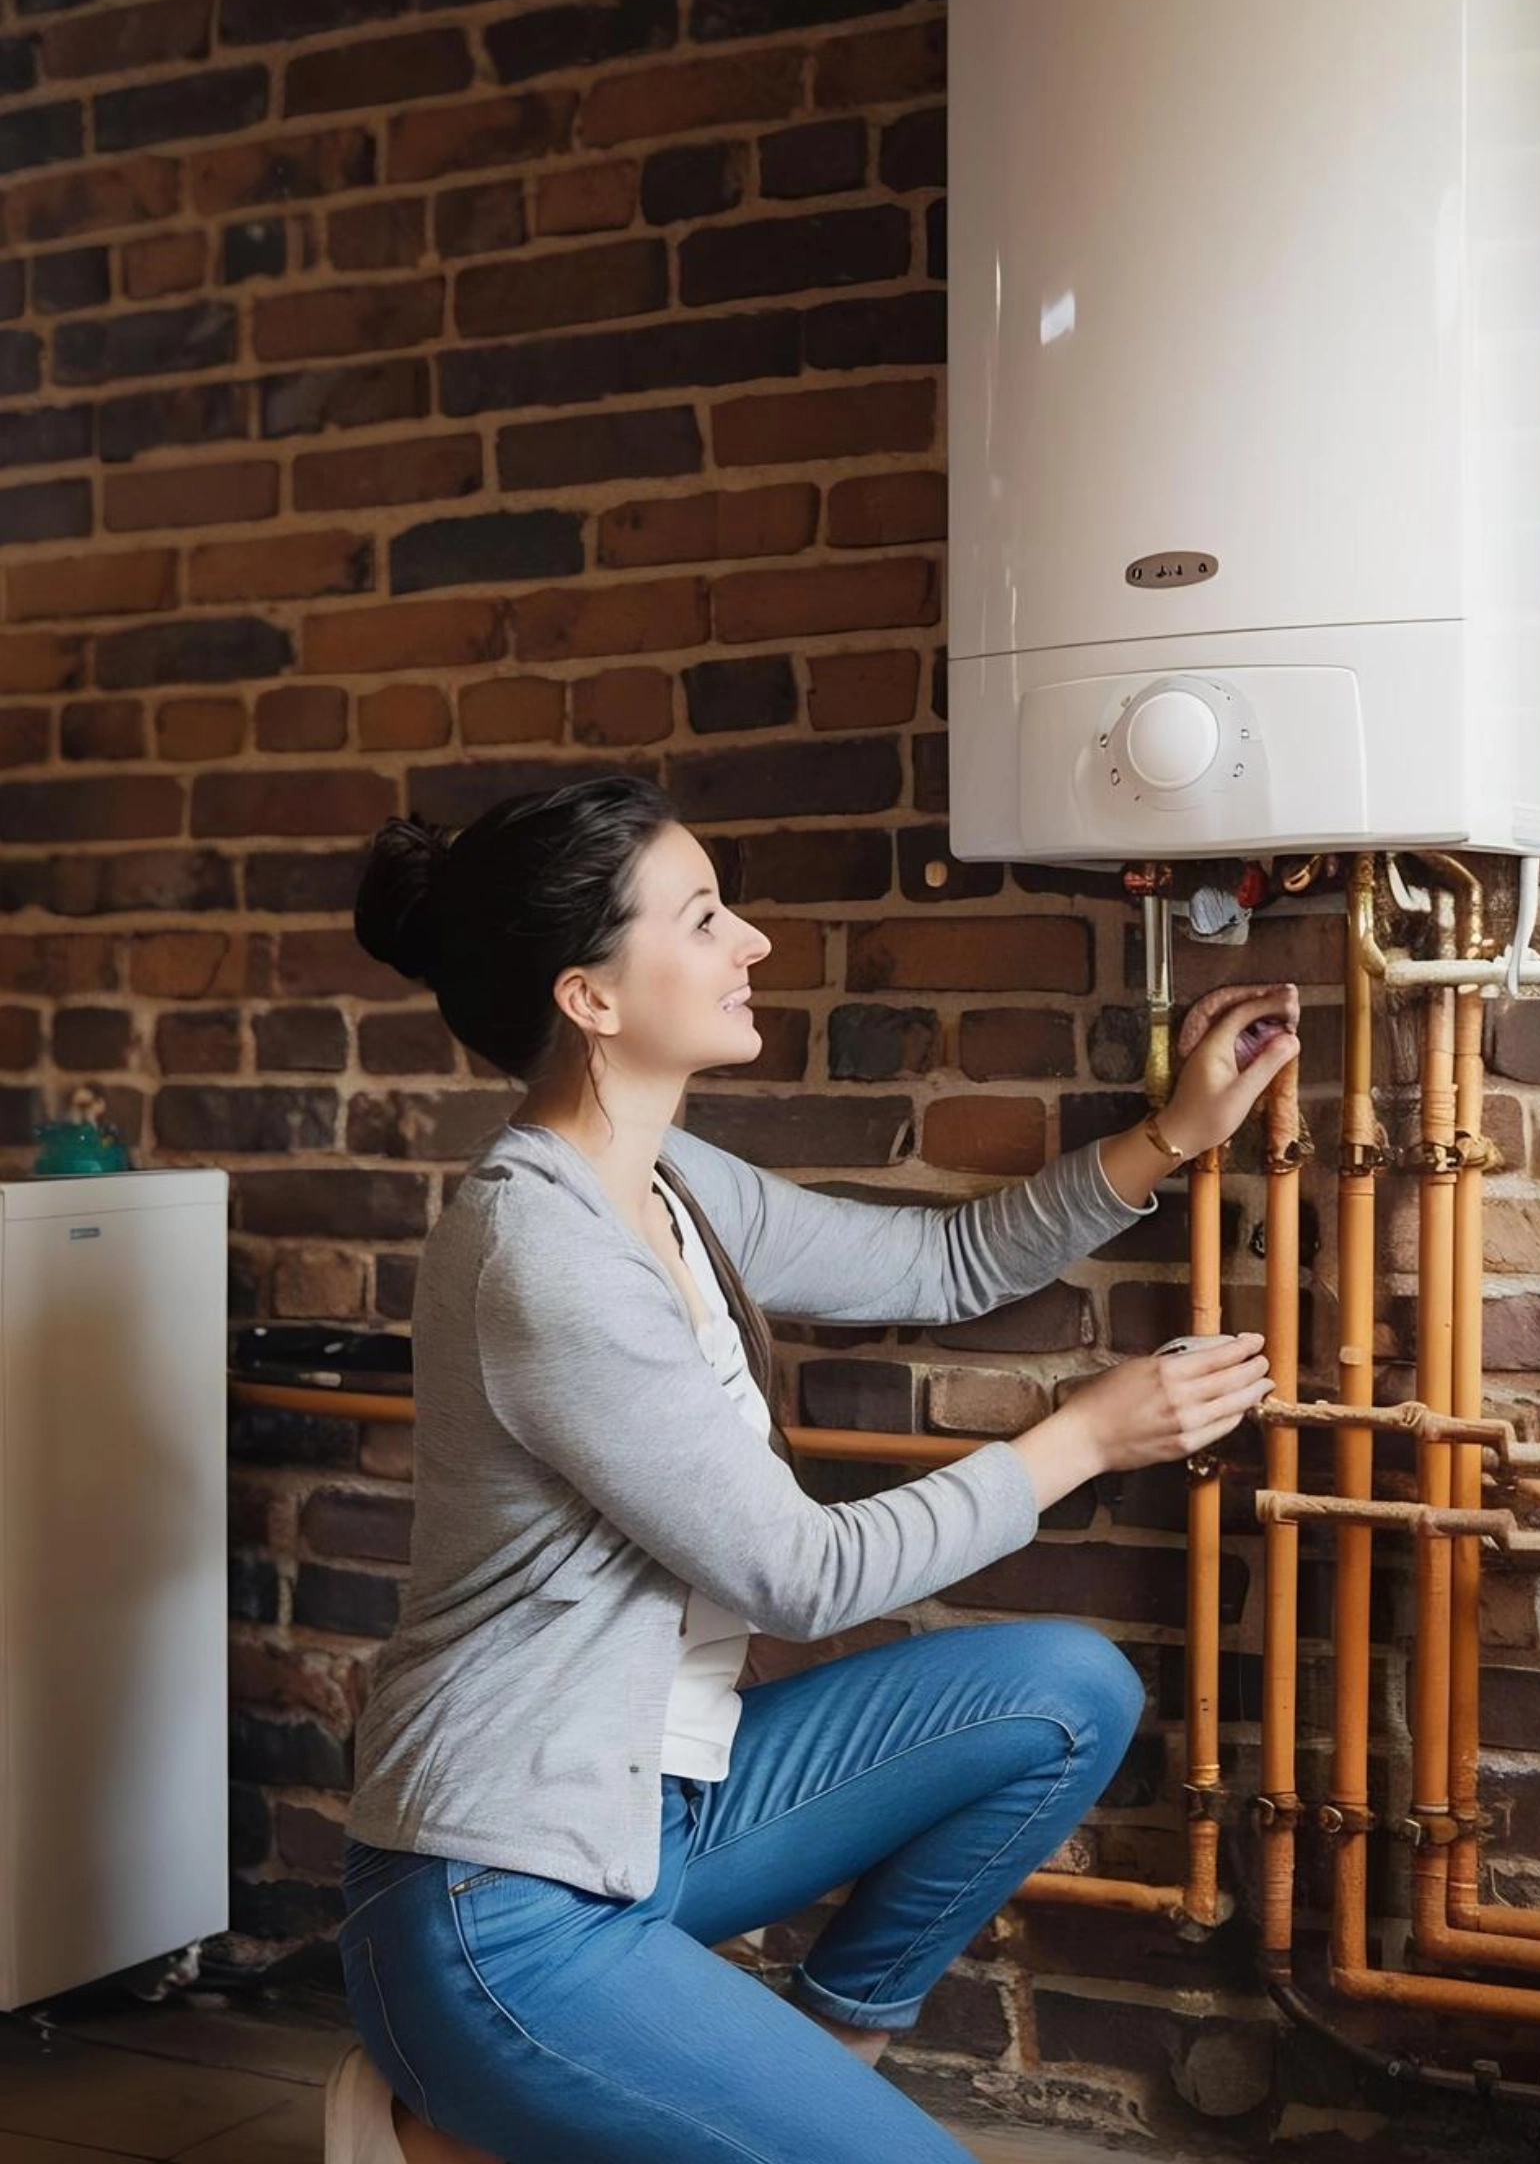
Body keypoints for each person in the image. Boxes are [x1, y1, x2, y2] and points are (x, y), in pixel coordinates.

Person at [326, 771, 1299, 2164]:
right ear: (590, 998)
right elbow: (802, 1572)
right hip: (499, 1902)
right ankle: (464, 2104)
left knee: (1068, 1694)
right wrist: (1084, 1437)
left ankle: (809, 2058)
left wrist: (1171, 1138)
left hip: (651, 1828)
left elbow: (935, 1263)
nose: (754, 945)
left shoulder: (671, 1181)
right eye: (706, 916)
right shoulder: (540, 1253)